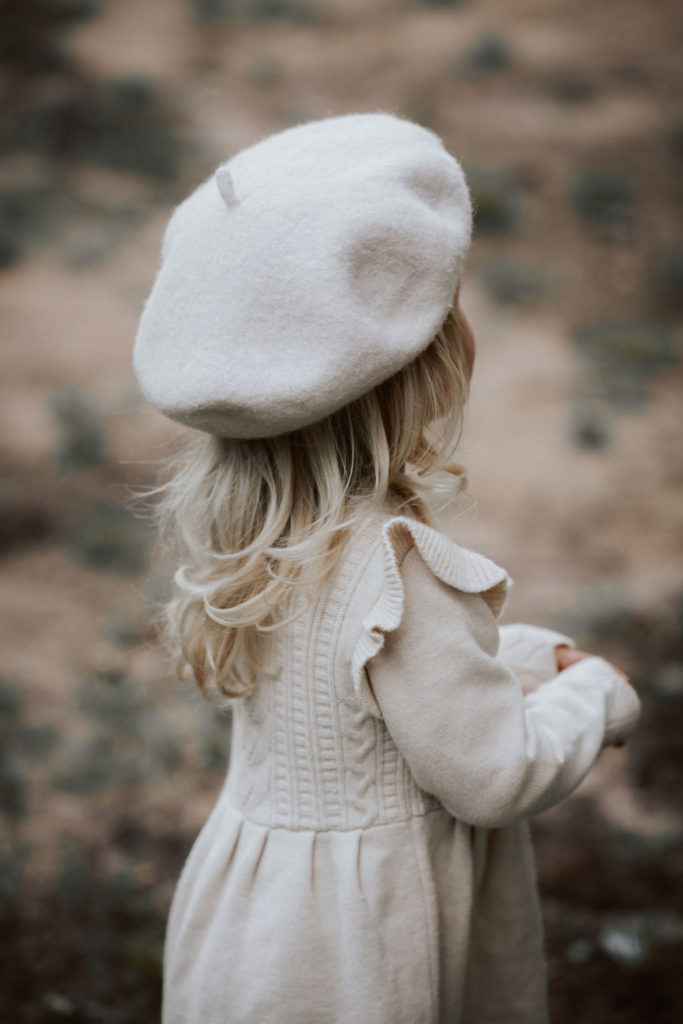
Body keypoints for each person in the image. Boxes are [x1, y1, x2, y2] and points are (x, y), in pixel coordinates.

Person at [133, 112, 641, 1024]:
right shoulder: (399, 573)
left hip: (256, 926)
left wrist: (528, 659)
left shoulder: (252, 539)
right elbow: (494, 776)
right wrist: (594, 694)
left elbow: (366, 694)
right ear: (418, 372)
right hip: (368, 950)